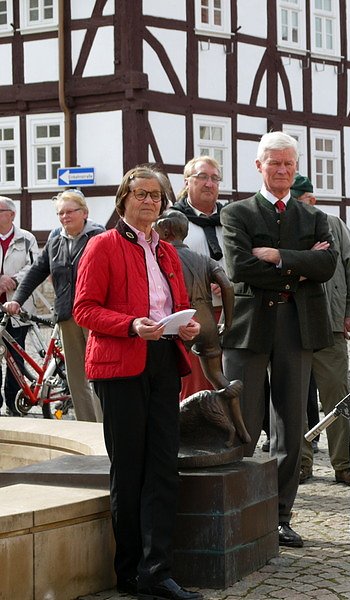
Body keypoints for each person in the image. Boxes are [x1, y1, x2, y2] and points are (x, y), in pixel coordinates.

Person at [73, 165, 202, 600]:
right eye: (141, 193)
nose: (150, 201)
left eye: (156, 196)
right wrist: (131, 325)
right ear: (123, 199)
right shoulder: (101, 245)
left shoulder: (166, 251)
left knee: (164, 467)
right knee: (129, 470)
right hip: (120, 365)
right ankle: (129, 571)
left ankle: (157, 570)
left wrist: (187, 326)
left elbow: (180, 303)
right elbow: (84, 310)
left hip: (165, 359)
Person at [220, 131, 336, 549]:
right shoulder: (236, 213)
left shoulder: (313, 217)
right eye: (275, 163)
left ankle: (280, 515)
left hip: (297, 325)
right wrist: (298, 268)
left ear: (296, 167)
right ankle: (239, 511)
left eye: (289, 163)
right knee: (243, 423)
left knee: (291, 424)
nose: (283, 170)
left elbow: (327, 264)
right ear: (259, 166)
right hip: (250, 328)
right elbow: (240, 267)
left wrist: (278, 256)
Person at [292, 174, 350, 486]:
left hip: (331, 325)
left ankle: (344, 464)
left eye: (310, 200)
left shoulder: (333, 224)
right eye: (302, 201)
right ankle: (298, 464)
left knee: (340, 396)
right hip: (291, 327)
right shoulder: (277, 225)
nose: (308, 206)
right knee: (292, 400)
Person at [4, 190, 104, 422]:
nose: (65, 217)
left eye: (70, 212)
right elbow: (38, 270)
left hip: (95, 316)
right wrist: (17, 299)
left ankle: (104, 428)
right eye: (61, 213)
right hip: (67, 315)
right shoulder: (56, 239)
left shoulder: (98, 237)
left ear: (84, 212)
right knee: (76, 379)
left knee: (98, 374)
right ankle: (86, 429)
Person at [170, 156, 227, 399]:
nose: (209, 183)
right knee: (194, 384)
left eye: (214, 178)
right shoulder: (171, 220)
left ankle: (227, 431)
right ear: (187, 182)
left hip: (228, 312)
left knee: (225, 377)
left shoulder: (231, 218)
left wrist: (229, 283)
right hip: (190, 314)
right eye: (202, 177)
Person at [0, 196, 39, 416]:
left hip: (18, 309)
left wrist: (12, 280)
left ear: (11, 215)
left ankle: (14, 405)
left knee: (16, 357)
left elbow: (34, 268)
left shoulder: (26, 239)